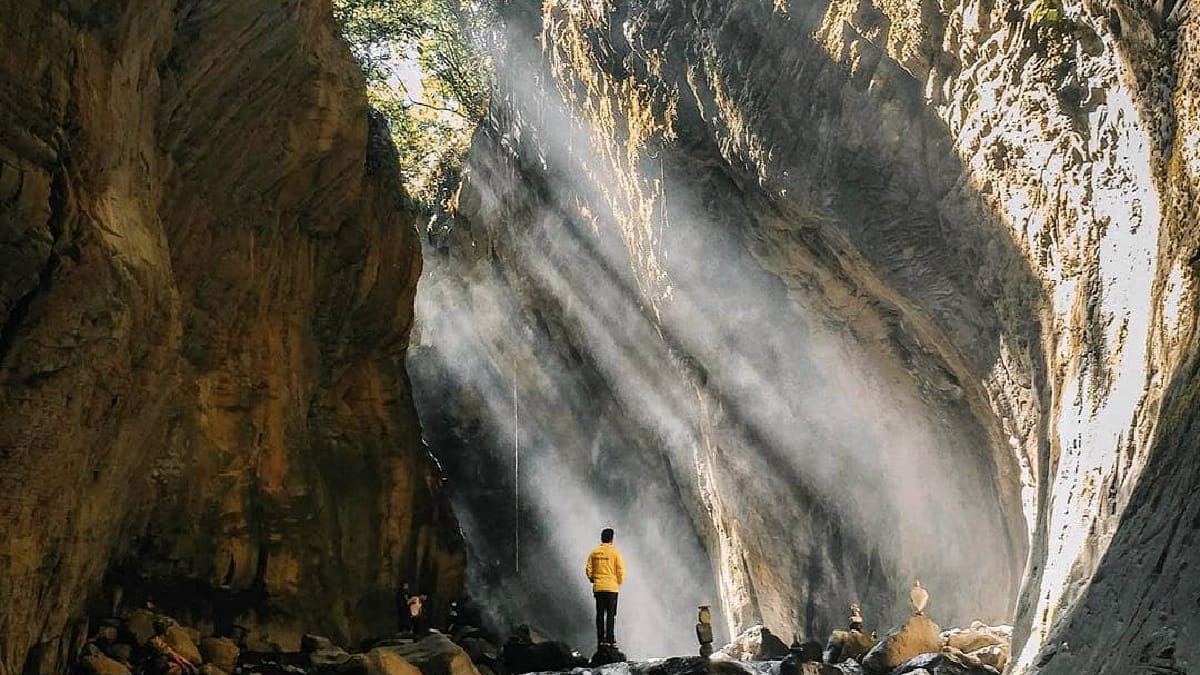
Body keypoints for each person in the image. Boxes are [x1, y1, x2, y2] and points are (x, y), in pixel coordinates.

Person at [584, 528, 625, 647]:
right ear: (612, 539)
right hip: (612, 588)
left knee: (600, 614)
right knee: (611, 615)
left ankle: (601, 639)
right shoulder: (615, 553)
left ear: (601, 538)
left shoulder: (594, 552)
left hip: (599, 588)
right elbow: (621, 570)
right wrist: (618, 582)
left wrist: (592, 579)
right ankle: (610, 639)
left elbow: (588, 569)